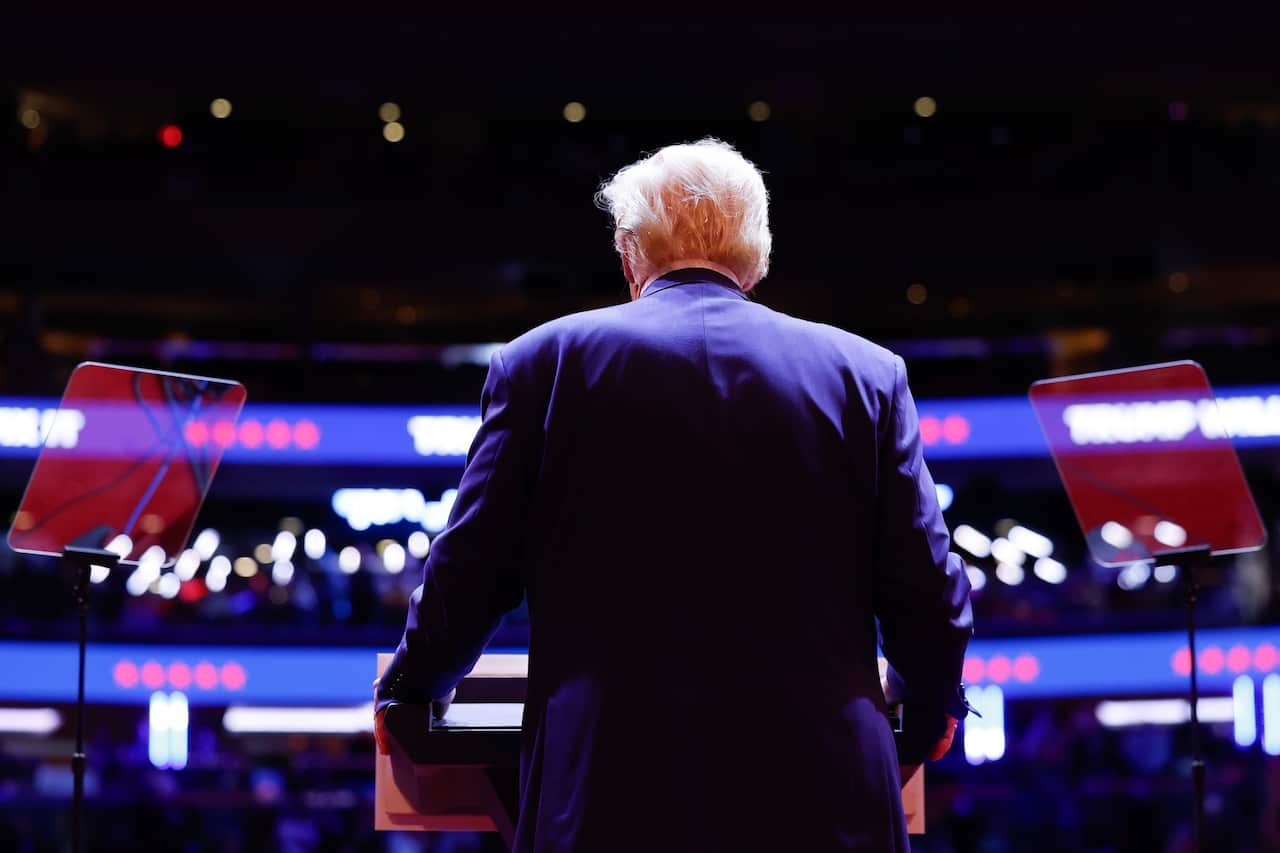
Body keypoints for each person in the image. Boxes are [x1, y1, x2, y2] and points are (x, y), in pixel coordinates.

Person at [375, 138, 973, 852]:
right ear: (759, 252)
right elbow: (927, 587)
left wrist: (412, 688)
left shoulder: (541, 363)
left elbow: (469, 569)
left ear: (630, 253)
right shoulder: (867, 375)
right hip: (829, 794)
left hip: (604, 792)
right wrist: (933, 698)